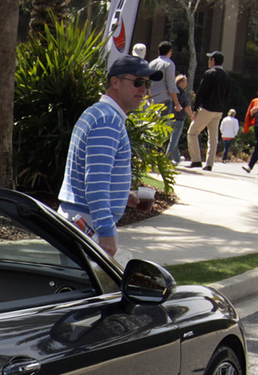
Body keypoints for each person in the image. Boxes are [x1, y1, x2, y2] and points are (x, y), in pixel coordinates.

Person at [57, 55, 158, 258]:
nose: (143, 90)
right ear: (115, 82)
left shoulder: (98, 114)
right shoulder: (108, 120)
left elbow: (93, 172)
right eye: (137, 82)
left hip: (80, 218)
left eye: (146, 84)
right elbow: (95, 179)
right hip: (88, 223)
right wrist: (105, 230)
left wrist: (122, 195)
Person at [186, 50, 233, 171]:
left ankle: (196, 160)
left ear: (213, 60)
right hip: (219, 110)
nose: (208, 61)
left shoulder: (209, 73)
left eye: (209, 59)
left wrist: (195, 108)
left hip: (207, 108)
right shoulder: (226, 76)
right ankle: (209, 164)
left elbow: (202, 92)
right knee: (213, 138)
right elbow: (227, 94)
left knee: (192, 132)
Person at [148, 40, 180, 131]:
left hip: (152, 100)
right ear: (170, 51)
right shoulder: (169, 64)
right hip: (164, 100)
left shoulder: (151, 63)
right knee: (162, 129)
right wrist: (176, 103)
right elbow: (171, 86)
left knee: (151, 128)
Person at [167, 73, 191, 162]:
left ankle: (177, 158)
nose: (186, 83)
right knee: (174, 140)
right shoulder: (183, 93)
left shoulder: (171, 92)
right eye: (185, 81)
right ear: (181, 82)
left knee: (174, 139)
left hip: (170, 117)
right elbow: (186, 106)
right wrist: (191, 116)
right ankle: (167, 158)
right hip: (179, 118)